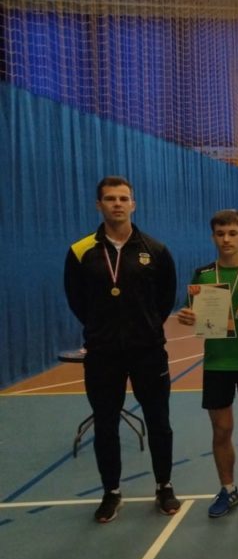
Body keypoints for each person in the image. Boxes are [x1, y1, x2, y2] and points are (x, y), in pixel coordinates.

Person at [64, 176, 179, 522]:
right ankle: (111, 492)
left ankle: (164, 486)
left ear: (133, 204)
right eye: (110, 198)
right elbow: (76, 300)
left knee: (159, 421)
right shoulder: (80, 251)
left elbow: (165, 299)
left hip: (148, 351)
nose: (117, 204)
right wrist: (102, 330)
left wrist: (146, 327)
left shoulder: (155, 250)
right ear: (98, 205)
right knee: (106, 424)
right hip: (103, 353)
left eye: (123, 198)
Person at [176, 209, 238, 517]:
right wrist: (187, 317)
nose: (226, 239)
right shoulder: (203, 274)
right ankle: (227, 489)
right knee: (221, 430)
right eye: (220, 234)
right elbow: (193, 313)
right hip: (217, 364)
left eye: (232, 233)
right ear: (213, 237)